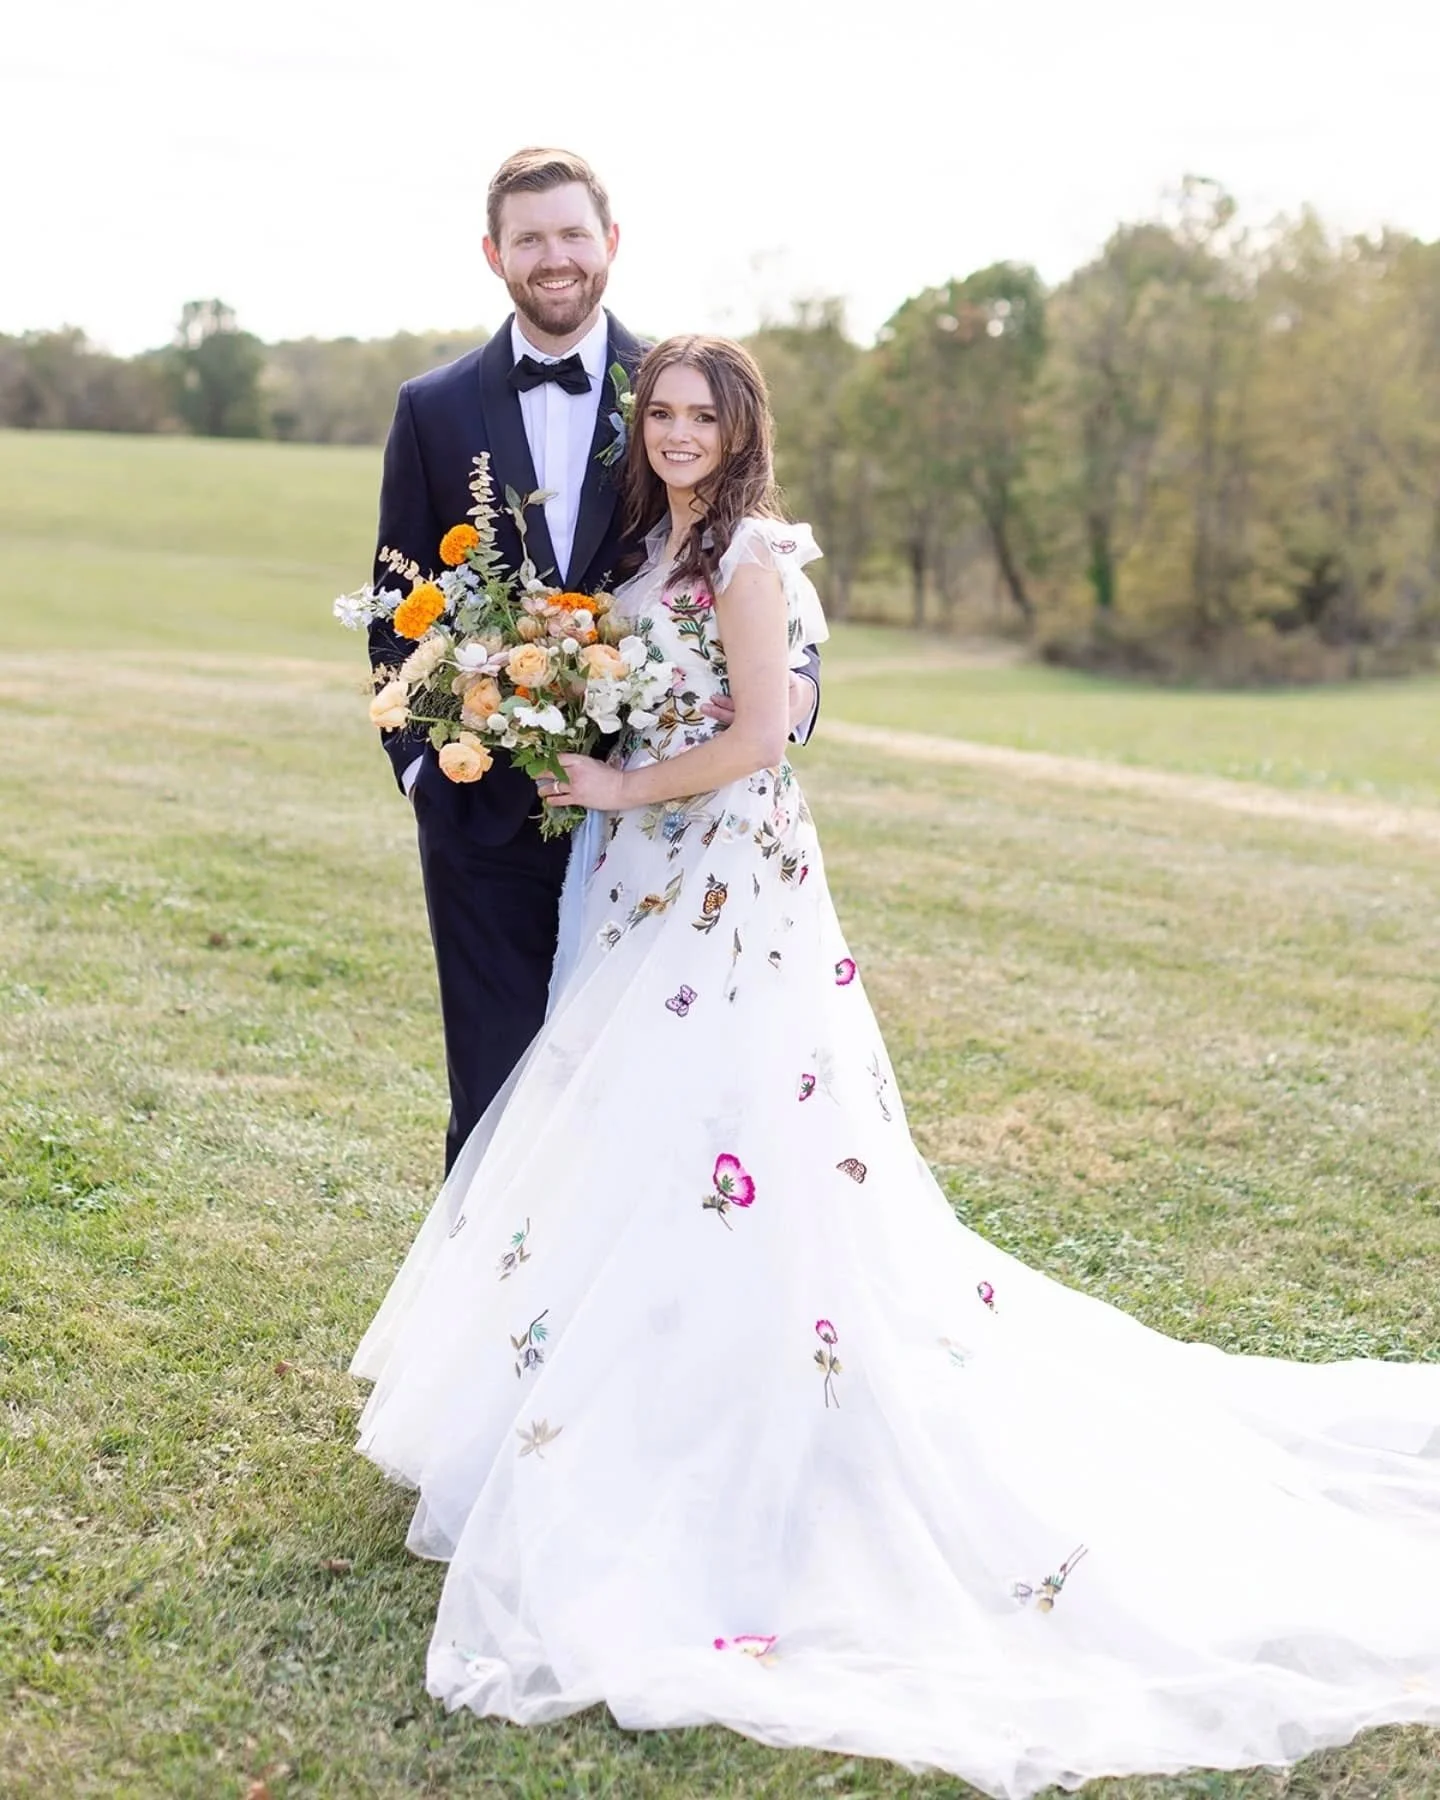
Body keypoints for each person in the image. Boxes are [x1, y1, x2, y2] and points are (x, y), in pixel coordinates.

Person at [352, 335, 1440, 1798]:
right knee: (628, 1134)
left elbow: (757, 735)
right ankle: (617, 1393)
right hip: (633, 880)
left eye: (702, 416)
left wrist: (613, 780)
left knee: (728, 1129)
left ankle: (761, 1422)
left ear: (742, 433)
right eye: (661, 412)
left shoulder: (743, 556)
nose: (677, 433)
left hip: (725, 887)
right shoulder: (638, 540)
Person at [367, 148, 820, 1173]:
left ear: (609, 244)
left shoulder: (679, 391)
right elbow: (400, 611)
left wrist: (796, 691)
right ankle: (482, 1327)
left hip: (663, 819)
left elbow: (759, 553)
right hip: (485, 819)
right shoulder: (431, 410)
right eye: (529, 239)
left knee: (654, 1093)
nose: (554, 257)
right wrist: (432, 766)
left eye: (573, 234)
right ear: (494, 255)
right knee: (494, 1090)